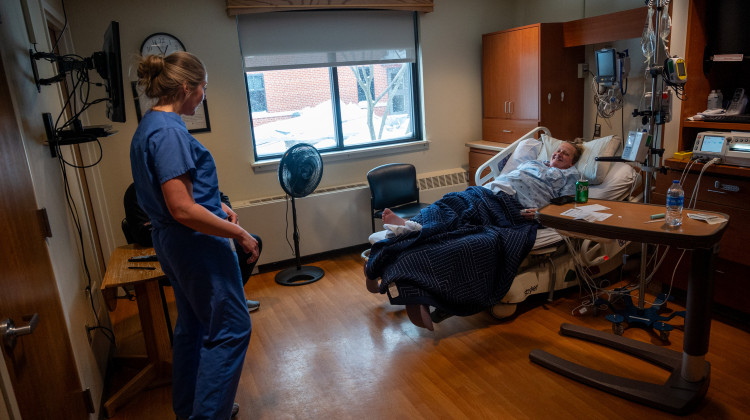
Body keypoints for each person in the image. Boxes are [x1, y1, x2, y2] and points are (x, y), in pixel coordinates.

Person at [130, 51, 256, 420]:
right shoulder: (170, 132)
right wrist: (239, 232)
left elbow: (175, 190)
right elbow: (182, 208)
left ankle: (190, 410)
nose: (204, 96)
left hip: (173, 244)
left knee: (193, 327)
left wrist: (217, 204)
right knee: (232, 329)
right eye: (203, 88)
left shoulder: (149, 126)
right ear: (186, 87)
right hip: (195, 245)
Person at [367, 140, 583, 330]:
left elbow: (565, 206)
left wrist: (538, 215)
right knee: (449, 204)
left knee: (466, 238)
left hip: (510, 208)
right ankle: (414, 225)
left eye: (565, 153)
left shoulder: (570, 176)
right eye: (557, 150)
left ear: (572, 162)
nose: (558, 154)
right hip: (488, 192)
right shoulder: (534, 163)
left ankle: (416, 283)